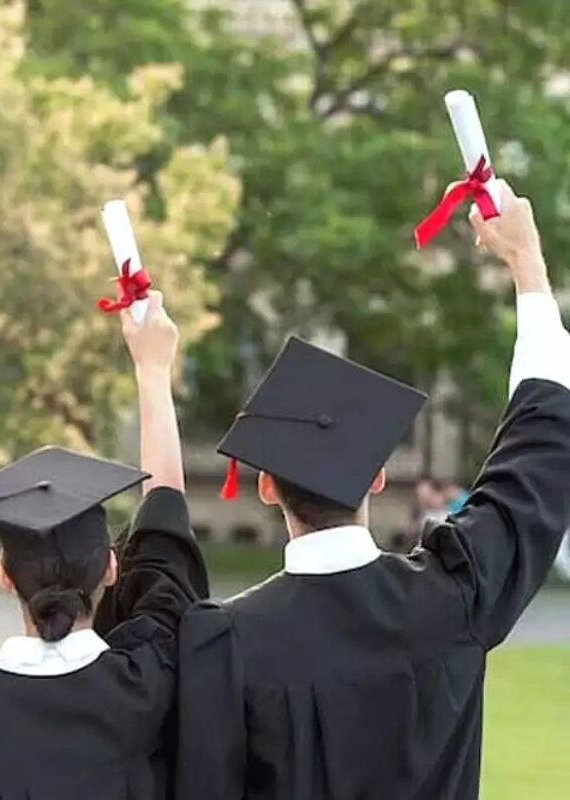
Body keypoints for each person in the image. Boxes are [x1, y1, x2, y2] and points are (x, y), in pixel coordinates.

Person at [175, 180, 570, 799]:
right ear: (377, 477)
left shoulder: (226, 645)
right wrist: (528, 266)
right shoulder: (455, 597)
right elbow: (541, 451)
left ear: (266, 486)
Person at [0, 291, 209, 799]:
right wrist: (152, 369)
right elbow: (166, 519)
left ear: (4, 574)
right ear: (109, 567)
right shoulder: (148, 683)